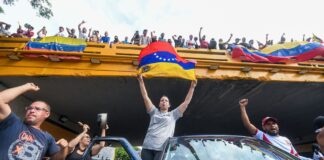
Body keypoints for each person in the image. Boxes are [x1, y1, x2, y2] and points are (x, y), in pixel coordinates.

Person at [0, 83, 68, 159]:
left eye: (37, 109)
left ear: (47, 114)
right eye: (29, 108)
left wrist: (64, 149)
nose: (32, 110)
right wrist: (26, 87)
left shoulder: (48, 138)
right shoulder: (12, 122)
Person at [137, 75, 197, 160]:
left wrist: (192, 87)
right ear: (159, 104)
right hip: (147, 147)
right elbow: (145, 97)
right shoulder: (153, 111)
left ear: (169, 105)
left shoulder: (173, 114)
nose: (164, 102)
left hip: (162, 149)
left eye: (166, 101)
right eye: (162, 100)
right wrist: (141, 81)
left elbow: (186, 102)